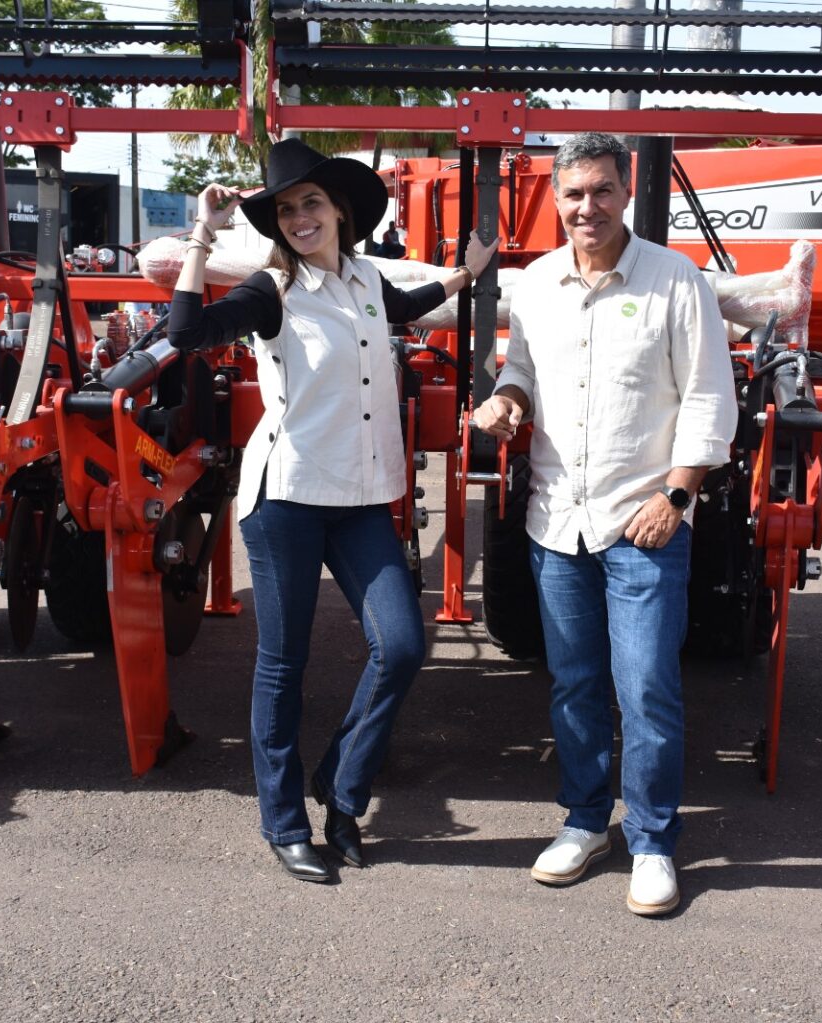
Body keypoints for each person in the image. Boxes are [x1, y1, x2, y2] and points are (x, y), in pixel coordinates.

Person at [169, 138, 499, 883]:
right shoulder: (269, 292)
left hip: (357, 500)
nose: (298, 218)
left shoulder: (367, 281)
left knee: (404, 646)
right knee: (283, 666)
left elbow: (414, 303)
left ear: (341, 211)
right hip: (285, 498)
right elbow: (185, 333)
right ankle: (285, 823)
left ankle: (342, 791)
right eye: (285, 209)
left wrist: (468, 272)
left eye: (310, 202)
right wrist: (202, 233)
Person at [471, 131, 737, 916]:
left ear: (626, 192)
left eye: (602, 190)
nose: (588, 207)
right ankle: (586, 820)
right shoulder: (537, 283)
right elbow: (521, 370)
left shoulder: (675, 281)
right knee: (576, 686)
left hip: (643, 522)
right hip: (558, 520)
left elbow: (708, 397)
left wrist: (678, 496)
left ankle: (651, 841)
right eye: (574, 193)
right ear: (555, 199)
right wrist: (508, 400)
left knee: (647, 687)